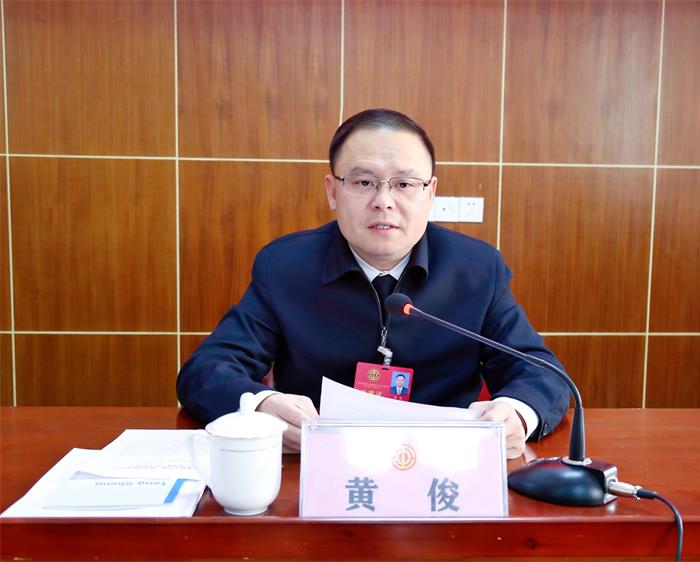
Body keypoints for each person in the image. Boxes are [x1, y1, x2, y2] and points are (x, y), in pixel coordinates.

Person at [177, 108, 570, 458]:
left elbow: (543, 374)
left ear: (430, 193)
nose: (384, 201)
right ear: (333, 191)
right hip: (320, 464)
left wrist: (518, 413)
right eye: (364, 182)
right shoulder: (284, 266)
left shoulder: (477, 269)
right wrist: (261, 407)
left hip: (444, 465)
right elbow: (207, 370)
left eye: (404, 184)